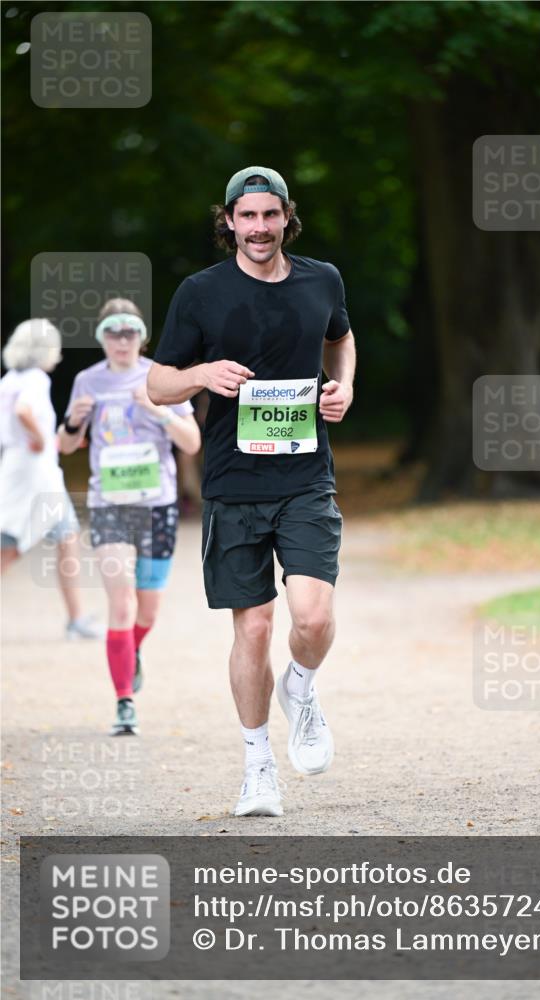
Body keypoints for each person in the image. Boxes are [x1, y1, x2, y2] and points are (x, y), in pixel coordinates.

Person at [147, 166, 356, 817]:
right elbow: (157, 385)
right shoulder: (200, 293)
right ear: (229, 221)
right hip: (234, 484)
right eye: (247, 216)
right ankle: (257, 766)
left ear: (286, 217)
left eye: (270, 215)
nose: (259, 228)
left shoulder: (322, 279)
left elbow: (340, 337)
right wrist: (201, 373)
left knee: (312, 618)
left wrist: (343, 386)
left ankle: (301, 686)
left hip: (305, 478)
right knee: (256, 627)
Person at [58, 299, 201, 734]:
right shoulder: (87, 380)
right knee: (121, 603)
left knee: (147, 611)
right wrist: (73, 422)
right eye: (113, 333)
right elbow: (65, 445)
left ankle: (130, 650)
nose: (122, 341)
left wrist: (158, 410)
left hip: (157, 504)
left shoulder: (161, 377)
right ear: (101, 338)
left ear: (142, 336)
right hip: (110, 505)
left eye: (130, 332)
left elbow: (192, 442)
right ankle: (124, 701)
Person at [0, 318, 102, 639]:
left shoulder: (9, 379)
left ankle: (76, 618)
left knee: (67, 536)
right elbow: (23, 412)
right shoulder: (35, 379)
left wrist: (46, 441)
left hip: (25, 467)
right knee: (11, 546)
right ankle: (76, 620)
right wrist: (42, 440)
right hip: (35, 475)